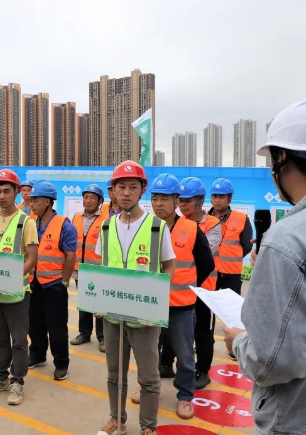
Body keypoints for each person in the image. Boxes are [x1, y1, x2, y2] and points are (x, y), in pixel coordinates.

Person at [224, 98, 306, 435]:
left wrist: (239, 343)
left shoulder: (288, 240)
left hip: (303, 421)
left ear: (281, 158)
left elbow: (275, 361)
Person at [95, 160, 175, 435]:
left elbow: (169, 266)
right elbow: (102, 267)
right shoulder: (106, 227)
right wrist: (97, 301)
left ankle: (148, 427)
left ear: (142, 190)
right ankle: (116, 419)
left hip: (144, 319)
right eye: (121, 187)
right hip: (112, 315)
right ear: (113, 191)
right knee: (114, 374)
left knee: (149, 378)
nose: (126, 192)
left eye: (133, 187)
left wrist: (158, 304)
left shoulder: (157, 227)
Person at [130, 173, 214, 420]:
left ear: (176, 200)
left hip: (181, 306)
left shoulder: (191, 229)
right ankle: (147, 387)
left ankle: (185, 395)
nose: (158, 204)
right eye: (155, 198)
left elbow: (206, 264)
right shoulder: (144, 227)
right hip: (150, 305)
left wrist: (188, 286)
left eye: (164, 199)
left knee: (185, 355)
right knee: (148, 352)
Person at [0, 169, 38, 406]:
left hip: (16, 294)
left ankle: (17, 381)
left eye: (6, 191)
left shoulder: (26, 222)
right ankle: (1, 377)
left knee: (19, 341)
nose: (1, 196)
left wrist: (6, 280)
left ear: (16, 192)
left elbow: (32, 259)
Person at [165, 176, 221, 388]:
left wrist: (192, 281)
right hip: (177, 290)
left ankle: (202, 371)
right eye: (181, 200)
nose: (183, 204)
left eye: (188, 200)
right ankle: (165, 363)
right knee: (172, 331)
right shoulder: (173, 223)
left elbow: (205, 258)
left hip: (203, 289)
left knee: (202, 332)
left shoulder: (212, 224)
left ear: (200, 201)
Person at [28, 180, 76, 381]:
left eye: (35, 200)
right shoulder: (31, 222)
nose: (31, 203)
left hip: (54, 285)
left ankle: (61, 363)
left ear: (47, 202)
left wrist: (64, 282)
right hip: (33, 282)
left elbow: (70, 256)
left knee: (57, 328)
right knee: (34, 324)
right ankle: (37, 355)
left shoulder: (64, 225)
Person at [70, 184, 107, 352]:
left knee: (99, 304)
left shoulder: (106, 220)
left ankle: (102, 337)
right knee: (84, 302)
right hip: (80, 268)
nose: (88, 201)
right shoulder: (76, 217)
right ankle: (84, 333)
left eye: (92, 198)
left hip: (98, 269)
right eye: (86, 197)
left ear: (100, 201)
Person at [208, 178, 253, 296]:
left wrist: (233, 256)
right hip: (209, 272)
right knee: (206, 305)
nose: (217, 200)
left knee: (230, 306)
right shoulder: (204, 219)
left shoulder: (242, 219)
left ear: (229, 198)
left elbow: (247, 245)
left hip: (231, 274)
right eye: (215, 196)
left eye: (221, 196)